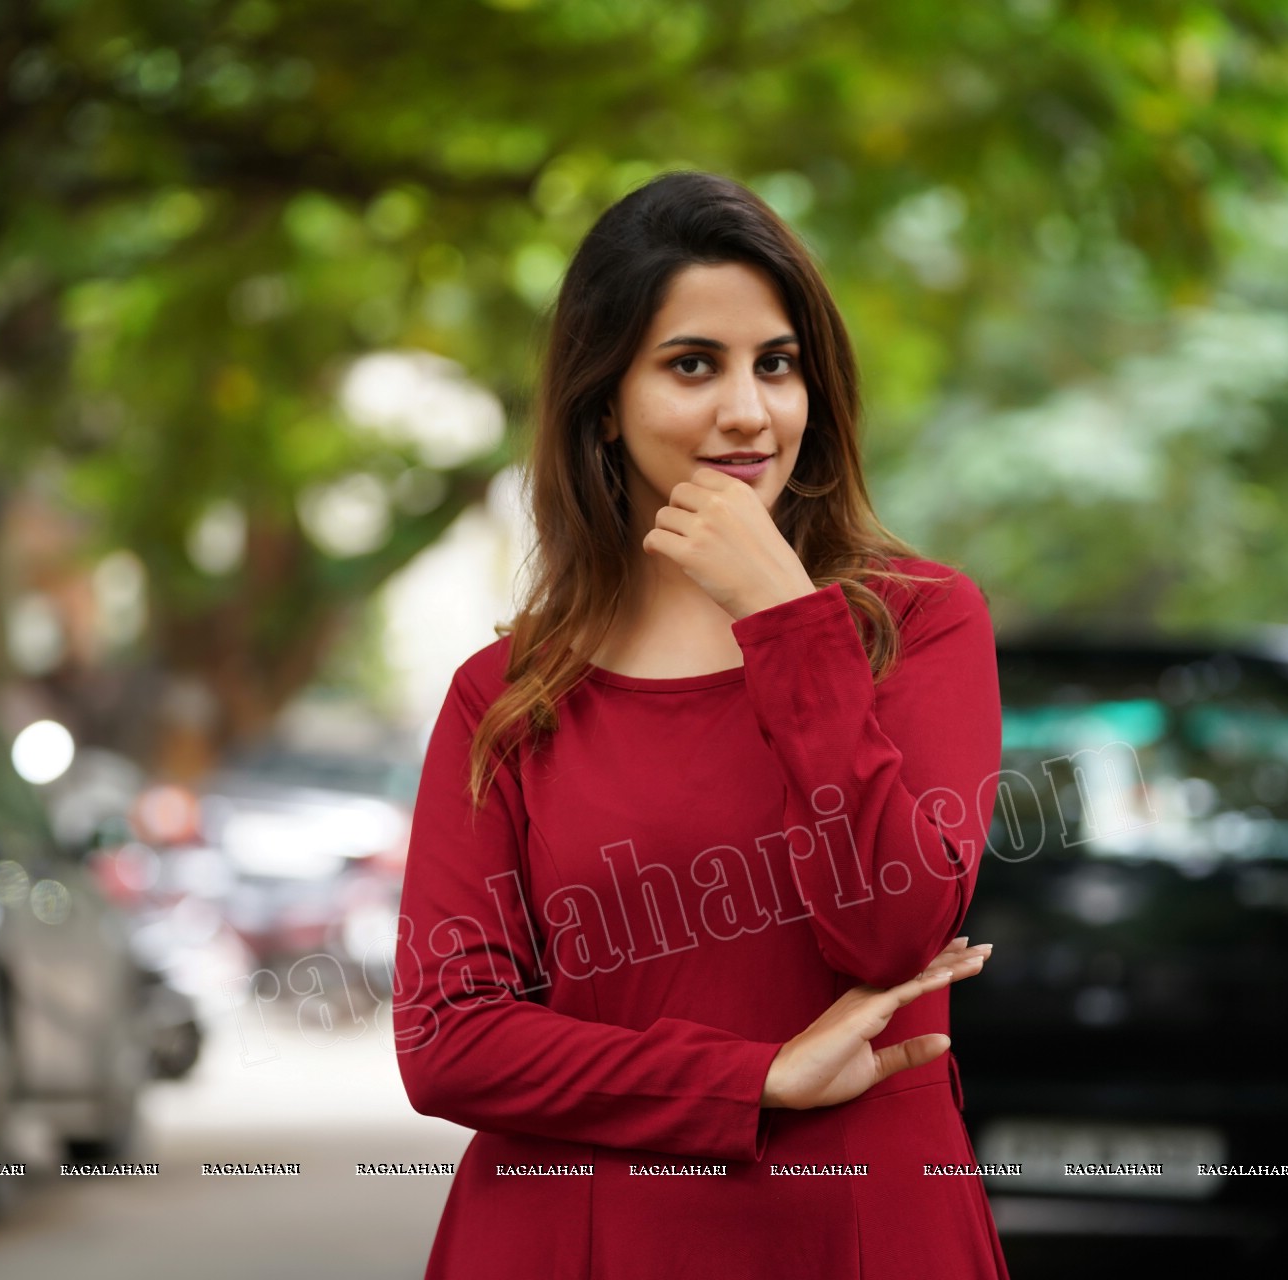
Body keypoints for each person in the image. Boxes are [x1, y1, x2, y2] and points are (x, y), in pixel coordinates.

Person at [392, 169, 1008, 1280]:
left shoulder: (916, 626)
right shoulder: (509, 693)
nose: (748, 409)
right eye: (692, 364)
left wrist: (786, 620)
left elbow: (891, 930)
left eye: (776, 363)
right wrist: (751, 1077)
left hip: (855, 1229)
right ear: (603, 400)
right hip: (569, 1234)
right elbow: (446, 1037)